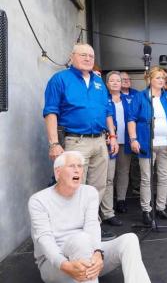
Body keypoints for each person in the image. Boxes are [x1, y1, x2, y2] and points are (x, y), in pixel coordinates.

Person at [28, 151, 151, 283]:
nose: (77, 171)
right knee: (81, 240)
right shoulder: (38, 200)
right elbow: (44, 239)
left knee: (129, 240)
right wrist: (66, 265)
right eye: (72, 166)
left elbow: (92, 225)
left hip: (87, 254)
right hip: (56, 264)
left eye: (80, 166)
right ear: (58, 173)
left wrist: (98, 253)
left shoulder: (89, 192)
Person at [43, 43, 118, 240]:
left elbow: (107, 111)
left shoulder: (99, 82)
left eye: (91, 56)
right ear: (72, 56)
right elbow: (51, 112)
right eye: (83, 55)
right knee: (73, 186)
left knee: (96, 188)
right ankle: (72, 232)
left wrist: (112, 135)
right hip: (76, 141)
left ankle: (93, 228)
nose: (87, 59)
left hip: (100, 141)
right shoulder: (60, 79)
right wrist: (53, 143)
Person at [128, 67, 167, 225]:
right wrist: (133, 139)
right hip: (147, 144)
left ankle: (160, 208)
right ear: (149, 79)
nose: (162, 81)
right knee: (146, 178)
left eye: (163, 78)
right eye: (158, 77)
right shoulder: (140, 97)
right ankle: (146, 210)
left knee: (164, 177)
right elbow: (131, 119)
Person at [100, 71, 133, 226]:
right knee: (108, 176)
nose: (115, 83)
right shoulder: (103, 99)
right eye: (111, 80)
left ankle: (121, 200)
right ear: (107, 84)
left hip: (125, 141)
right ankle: (107, 209)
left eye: (117, 80)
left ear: (121, 83)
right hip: (108, 143)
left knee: (123, 172)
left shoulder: (128, 100)